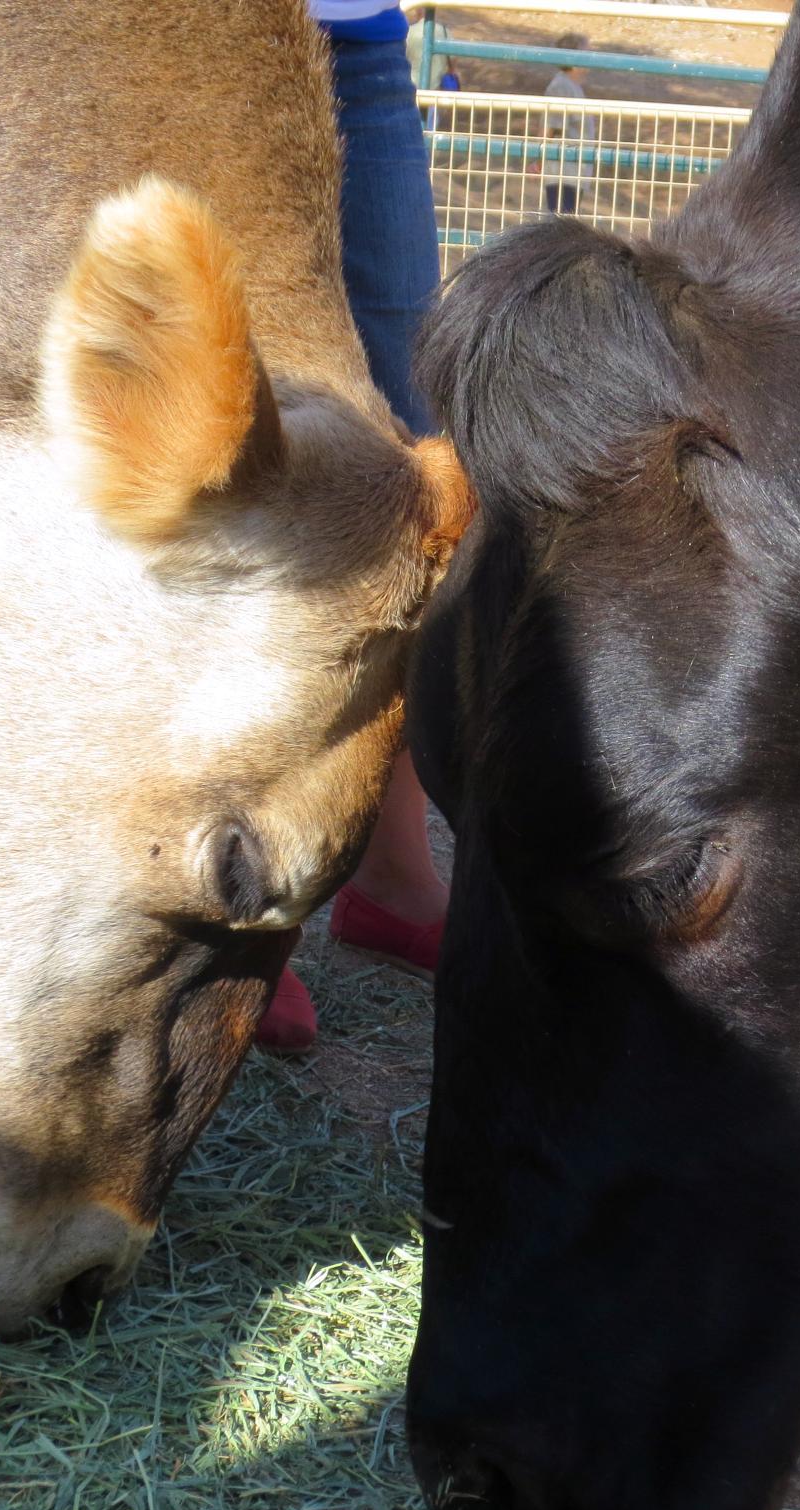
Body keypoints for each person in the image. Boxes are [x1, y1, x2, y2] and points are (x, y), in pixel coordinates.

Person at [259, 0, 449, 1051]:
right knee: (221, 453)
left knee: (401, 455)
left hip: (356, 38)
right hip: (161, 43)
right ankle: (234, 912)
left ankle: (390, 876)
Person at [542, 33, 596, 216]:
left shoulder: (573, 87)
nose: (592, 56)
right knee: (559, 224)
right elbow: (552, 127)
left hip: (574, 172)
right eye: (587, 52)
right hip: (563, 172)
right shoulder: (561, 86)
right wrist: (539, 157)